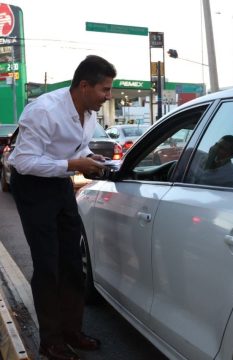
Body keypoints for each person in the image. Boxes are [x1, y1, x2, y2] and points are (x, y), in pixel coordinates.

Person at [9, 55, 117, 360]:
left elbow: (75, 146)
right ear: (84, 85)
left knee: (72, 262)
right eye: (105, 90)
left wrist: (89, 158)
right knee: (48, 265)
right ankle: (51, 341)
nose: (108, 96)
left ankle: (73, 331)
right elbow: (24, 161)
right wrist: (73, 164)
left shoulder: (89, 112)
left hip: (59, 182)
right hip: (32, 186)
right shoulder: (43, 111)